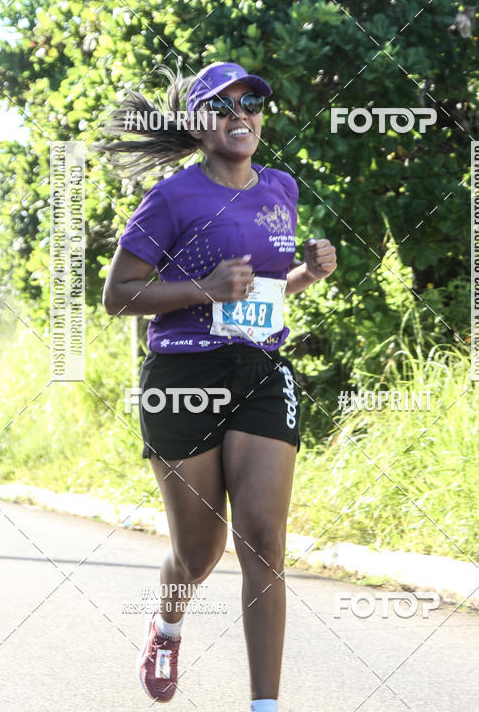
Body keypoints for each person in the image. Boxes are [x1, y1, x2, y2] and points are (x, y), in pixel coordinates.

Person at [99, 60, 337, 709]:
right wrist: (202, 289)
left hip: (260, 370)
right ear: (200, 124)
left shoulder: (280, 188)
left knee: (262, 537)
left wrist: (306, 278)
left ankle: (266, 706)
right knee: (198, 554)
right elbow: (116, 295)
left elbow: (262, 289)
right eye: (223, 105)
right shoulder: (174, 197)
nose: (241, 113)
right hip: (183, 376)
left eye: (252, 100)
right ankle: (167, 624)